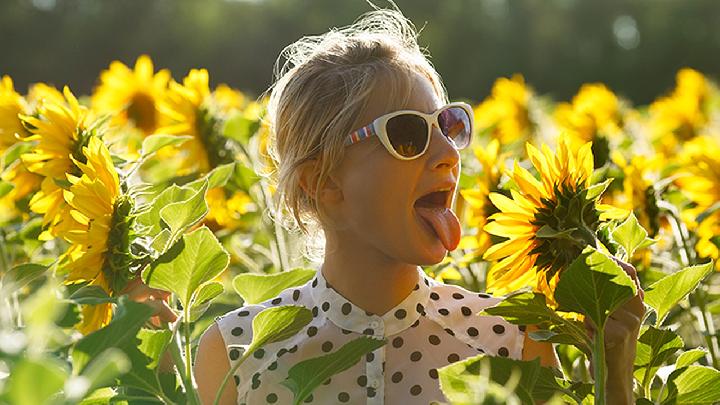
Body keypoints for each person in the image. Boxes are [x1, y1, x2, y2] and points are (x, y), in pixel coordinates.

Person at [186, 7, 644, 405]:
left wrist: (615, 376)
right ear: (324, 182)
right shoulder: (237, 354)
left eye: (449, 125)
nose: (447, 152)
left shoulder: (509, 341)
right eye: (408, 134)